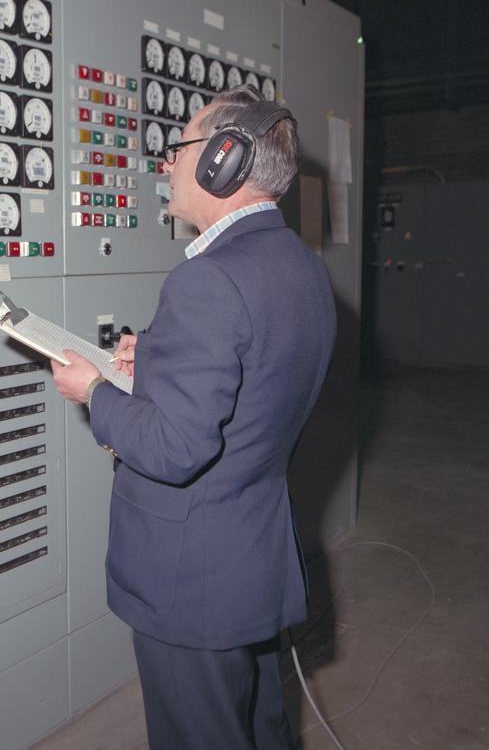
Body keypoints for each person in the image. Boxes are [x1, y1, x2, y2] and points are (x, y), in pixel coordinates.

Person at [50, 86, 337, 749]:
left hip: (191, 581)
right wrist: (154, 357)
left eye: (178, 148)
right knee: (263, 727)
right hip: (253, 561)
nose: (167, 166)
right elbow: (257, 380)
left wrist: (95, 390)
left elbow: (177, 446)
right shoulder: (300, 267)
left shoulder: (207, 279)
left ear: (222, 161)